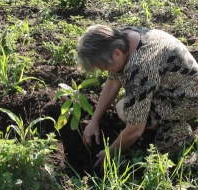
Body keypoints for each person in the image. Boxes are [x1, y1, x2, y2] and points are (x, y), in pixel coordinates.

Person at [77, 24, 198, 168]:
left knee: (126, 112)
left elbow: (135, 130)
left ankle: (180, 133)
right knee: (126, 106)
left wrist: (110, 153)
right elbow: (113, 82)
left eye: (105, 67)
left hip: (188, 100)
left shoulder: (139, 70)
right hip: (175, 86)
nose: (104, 71)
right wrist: (94, 121)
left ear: (117, 54)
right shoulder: (121, 37)